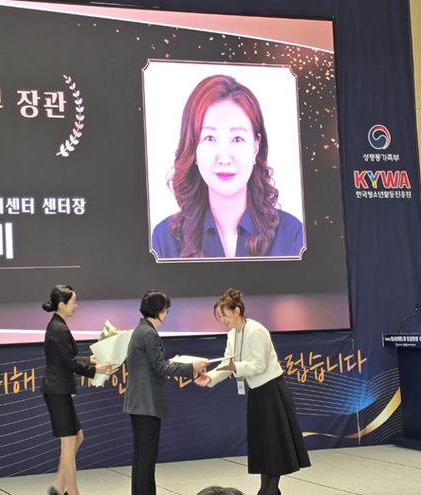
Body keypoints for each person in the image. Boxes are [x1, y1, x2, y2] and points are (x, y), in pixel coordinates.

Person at [151, 74, 303, 259]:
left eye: (237, 139)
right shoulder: (164, 240)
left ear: (256, 146)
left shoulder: (292, 235)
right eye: (209, 138)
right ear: (193, 148)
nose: (224, 158)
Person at [195, 289, 310, 495]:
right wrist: (209, 377)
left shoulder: (256, 330)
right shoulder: (232, 335)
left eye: (224, 315)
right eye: (219, 316)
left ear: (236, 311)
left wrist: (235, 367)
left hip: (272, 391)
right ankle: (266, 489)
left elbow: (259, 365)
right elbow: (227, 364)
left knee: (275, 444)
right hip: (257, 393)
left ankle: (270, 489)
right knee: (263, 445)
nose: (222, 320)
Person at [123, 290, 206, 495]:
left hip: (139, 403)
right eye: (166, 310)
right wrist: (191, 367)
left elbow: (155, 364)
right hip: (147, 404)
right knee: (147, 457)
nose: (167, 314)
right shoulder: (149, 333)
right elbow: (160, 367)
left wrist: (176, 364)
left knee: (141, 456)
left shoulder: (141, 330)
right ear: (159, 310)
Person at [41, 285, 114, 495]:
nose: (76, 306)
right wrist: (96, 369)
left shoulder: (58, 325)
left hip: (60, 389)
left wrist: (90, 360)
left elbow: (68, 359)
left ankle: (58, 487)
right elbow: (71, 364)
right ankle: (72, 492)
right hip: (57, 390)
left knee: (77, 437)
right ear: (61, 305)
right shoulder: (59, 328)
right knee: (69, 442)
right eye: (73, 302)